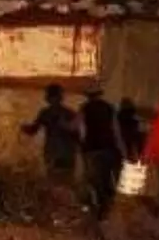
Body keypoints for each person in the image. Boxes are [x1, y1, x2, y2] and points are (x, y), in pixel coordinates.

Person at [21, 84, 79, 185]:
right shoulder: (68, 113)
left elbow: (32, 130)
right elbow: (77, 134)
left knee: (54, 182)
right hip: (66, 153)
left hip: (53, 152)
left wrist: (23, 127)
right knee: (66, 182)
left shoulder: (46, 113)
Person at [80, 87, 121, 219]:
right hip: (109, 148)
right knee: (107, 178)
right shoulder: (110, 108)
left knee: (94, 179)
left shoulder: (84, 108)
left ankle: (102, 207)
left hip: (92, 149)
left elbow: (79, 128)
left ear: (88, 96)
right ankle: (108, 203)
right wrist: (122, 150)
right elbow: (116, 130)